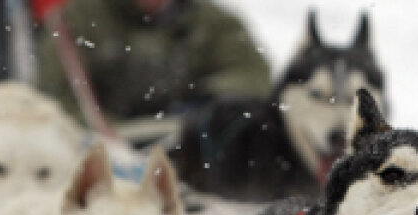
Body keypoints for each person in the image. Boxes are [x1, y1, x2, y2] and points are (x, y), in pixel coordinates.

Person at [32, 0, 272, 124]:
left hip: (193, 152)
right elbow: (54, 96)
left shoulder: (210, 20)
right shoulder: (76, 20)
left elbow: (251, 74)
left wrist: (208, 102)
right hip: (102, 153)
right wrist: (105, 127)